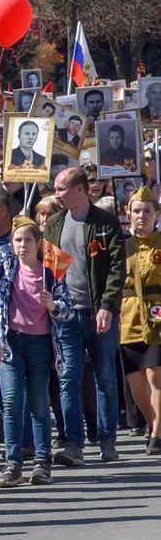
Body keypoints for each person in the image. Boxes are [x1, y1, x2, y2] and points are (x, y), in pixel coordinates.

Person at [0, 216, 71, 487]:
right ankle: (12, 464)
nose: (22, 245)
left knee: (39, 404)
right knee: (11, 402)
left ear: (38, 242)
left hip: (40, 344)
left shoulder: (50, 273)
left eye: (28, 240)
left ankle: (42, 462)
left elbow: (67, 309)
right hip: (11, 344)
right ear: (11, 243)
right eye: (18, 240)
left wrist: (53, 305)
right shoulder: (7, 267)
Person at [44, 167, 124, 465]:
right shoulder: (54, 224)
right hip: (67, 314)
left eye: (62, 188)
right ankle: (73, 444)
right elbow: (52, 269)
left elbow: (117, 267)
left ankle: (107, 439)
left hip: (99, 312)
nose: (58, 194)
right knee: (69, 377)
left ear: (80, 189)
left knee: (105, 376)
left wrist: (107, 306)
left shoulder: (103, 221)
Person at [120, 188, 161, 457]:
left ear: (156, 214)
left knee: (154, 376)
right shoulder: (121, 245)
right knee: (136, 384)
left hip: (158, 313)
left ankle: (157, 433)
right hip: (128, 317)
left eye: (147, 211)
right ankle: (152, 424)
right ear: (128, 214)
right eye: (136, 211)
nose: (141, 216)